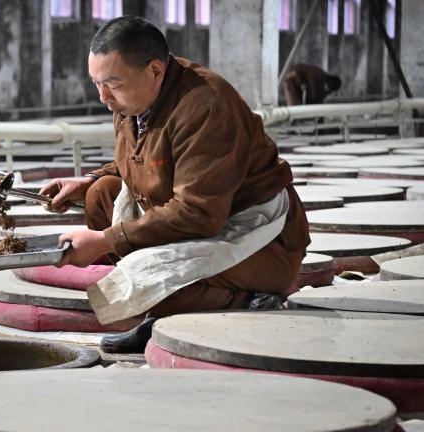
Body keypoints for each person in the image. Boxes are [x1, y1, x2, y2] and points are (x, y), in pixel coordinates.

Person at [40, 16, 309, 354]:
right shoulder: (133, 98)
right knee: (100, 194)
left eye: (112, 84)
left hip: (255, 238)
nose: (103, 96)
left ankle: (249, 298)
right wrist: (87, 181)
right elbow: (142, 158)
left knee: (152, 283)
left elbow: (198, 213)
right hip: (196, 223)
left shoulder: (206, 106)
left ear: (155, 70)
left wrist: (106, 240)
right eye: (97, 83)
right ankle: (166, 301)